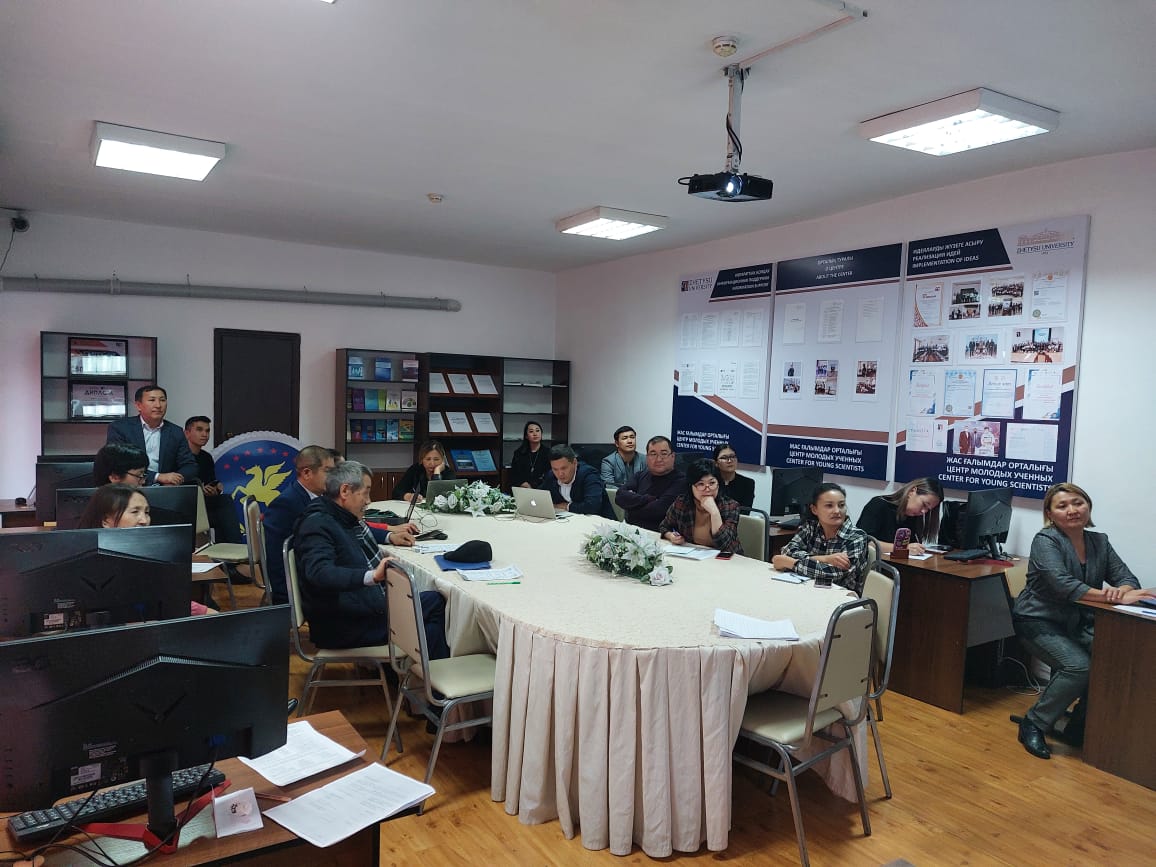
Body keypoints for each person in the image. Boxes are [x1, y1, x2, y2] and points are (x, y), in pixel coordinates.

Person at [1011, 483, 1155, 760]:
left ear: (1088, 507)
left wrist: (1123, 590)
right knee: (1078, 666)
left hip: (1077, 622)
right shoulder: (1046, 541)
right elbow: (1062, 585)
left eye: (1078, 503)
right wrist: (1112, 597)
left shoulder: (1099, 541)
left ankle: (1079, 725)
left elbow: (1126, 578)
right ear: (1050, 514)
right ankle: (1034, 722)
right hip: (1037, 620)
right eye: (1062, 506)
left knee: (1112, 658)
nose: (1072, 510)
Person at [293, 460, 450, 655]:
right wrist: (372, 576)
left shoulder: (336, 513)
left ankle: (409, 668)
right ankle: (417, 670)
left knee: (435, 602)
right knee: (433, 619)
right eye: (366, 492)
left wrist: (389, 536)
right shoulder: (316, 524)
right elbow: (319, 573)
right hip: (345, 624)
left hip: (359, 607)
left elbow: (358, 531)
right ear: (345, 491)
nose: (368, 501)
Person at [77, 483, 213, 615]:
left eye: (147, 512)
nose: (144, 520)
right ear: (106, 520)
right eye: (135, 512)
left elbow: (170, 601)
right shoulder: (87, 565)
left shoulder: (151, 560)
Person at [263, 445, 336, 605]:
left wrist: (388, 534)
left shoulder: (322, 497)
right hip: (304, 586)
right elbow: (276, 555)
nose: (333, 477)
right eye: (328, 471)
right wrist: (285, 599)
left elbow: (342, 524)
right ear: (307, 473)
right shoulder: (286, 503)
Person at [772, 482, 870, 593]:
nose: (837, 511)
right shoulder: (810, 527)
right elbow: (788, 551)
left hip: (841, 596)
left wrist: (792, 563)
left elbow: (833, 573)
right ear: (814, 509)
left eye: (841, 505)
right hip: (807, 589)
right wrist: (825, 559)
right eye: (829, 506)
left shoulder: (857, 537)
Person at [105, 385, 198, 486]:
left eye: (162, 400)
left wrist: (175, 479)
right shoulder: (120, 428)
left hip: (166, 488)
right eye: (152, 400)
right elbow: (117, 463)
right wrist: (157, 477)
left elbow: (189, 465)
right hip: (130, 487)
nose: (158, 405)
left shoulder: (176, 432)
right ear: (138, 405)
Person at [659, 458, 743, 555]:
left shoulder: (731, 506)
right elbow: (664, 526)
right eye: (701, 484)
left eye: (712, 483)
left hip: (727, 558)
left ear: (718, 484)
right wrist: (671, 536)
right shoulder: (682, 503)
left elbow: (723, 544)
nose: (707, 489)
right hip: (694, 555)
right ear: (691, 486)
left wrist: (714, 512)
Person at [184, 415, 243, 543]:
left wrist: (215, 488)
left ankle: (229, 550)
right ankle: (235, 548)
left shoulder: (206, 457)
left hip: (204, 503)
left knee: (224, 506)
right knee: (223, 510)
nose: (204, 434)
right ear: (187, 433)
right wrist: (200, 488)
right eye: (199, 430)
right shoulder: (179, 455)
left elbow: (211, 480)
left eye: (207, 430)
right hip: (186, 504)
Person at [613, 436, 685, 533]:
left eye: (664, 454)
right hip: (631, 531)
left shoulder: (681, 481)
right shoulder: (640, 475)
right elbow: (619, 496)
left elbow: (658, 510)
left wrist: (630, 507)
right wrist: (647, 499)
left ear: (672, 456)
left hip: (660, 535)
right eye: (653, 454)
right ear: (647, 457)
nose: (658, 459)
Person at [856, 477, 943, 555]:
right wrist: (901, 548)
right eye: (924, 504)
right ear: (912, 491)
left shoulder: (914, 516)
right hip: (876, 564)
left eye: (928, 509)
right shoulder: (878, 505)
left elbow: (911, 547)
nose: (924, 511)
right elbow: (864, 542)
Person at [542, 444, 615, 518]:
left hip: (600, 520)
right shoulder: (551, 475)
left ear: (574, 462)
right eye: (555, 469)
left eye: (564, 468)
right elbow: (539, 494)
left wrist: (567, 506)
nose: (560, 474)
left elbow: (592, 506)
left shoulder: (589, 475)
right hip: (569, 519)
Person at [393, 440, 457, 501]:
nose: (432, 463)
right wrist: (408, 496)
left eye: (436, 459)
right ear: (422, 460)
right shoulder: (415, 469)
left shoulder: (449, 473)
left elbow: (437, 497)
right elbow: (396, 492)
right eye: (428, 459)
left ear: (442, 460)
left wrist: (437, 473)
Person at [508, 421, 550, 489]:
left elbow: (550, 475)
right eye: (531, 431)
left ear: (541, 433)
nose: (535, 434)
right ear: (526, 436)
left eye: (537, 431)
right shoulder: (519, 453)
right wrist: (523, 483)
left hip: (543, 489)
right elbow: (514, 474)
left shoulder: (548, 453)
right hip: (523, 488)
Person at [713, 442, 755, 509]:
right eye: (724, 458)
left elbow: (745, 511)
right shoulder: (710, 482)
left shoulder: (747, 483)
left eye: (732, 456)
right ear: (716, 463)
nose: (730, 461)